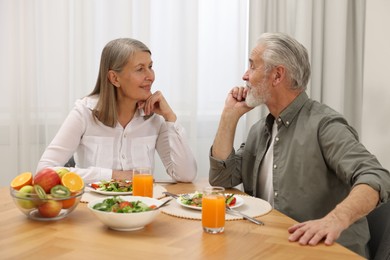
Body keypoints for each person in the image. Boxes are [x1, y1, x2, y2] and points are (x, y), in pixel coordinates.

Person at [209, 32, 390, 257]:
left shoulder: (324, 125)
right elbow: (221, 179)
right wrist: (229, 116)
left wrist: (335, 219)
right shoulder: (261, 130)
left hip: (327, 251)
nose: (245, 75)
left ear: (277, 75)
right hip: (275, 245)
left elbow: (375, 176)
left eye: (252, 66)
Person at [37, 38, 197, 184]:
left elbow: (186, 176)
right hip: (94, 210)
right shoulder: (84, 112)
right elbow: (44, 170)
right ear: (114, 78)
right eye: (140, 69)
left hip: (140, 209)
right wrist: (113, 175)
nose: (150, 76)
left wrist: (170, 117)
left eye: (150, 67)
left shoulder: (156, 117)